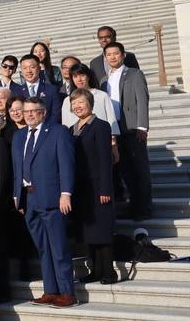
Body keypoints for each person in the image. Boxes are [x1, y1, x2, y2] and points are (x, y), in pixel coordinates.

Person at [12, 98, 77, 308]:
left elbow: (66, 164)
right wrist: (17, 195)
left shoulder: (58, 132)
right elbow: (17, 168)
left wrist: (66, 193)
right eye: (26, 111)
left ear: (44, 112)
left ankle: (67, 292)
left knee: (58, 247)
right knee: (43, 248)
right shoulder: (19, 135)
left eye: (34, 111)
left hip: (52, 198)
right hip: (28, 199)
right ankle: (51, 290)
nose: (29, 114)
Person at [69, 89, 116, 285]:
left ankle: (109, 272)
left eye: (81, 102)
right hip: (81, 189)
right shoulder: (71, 128)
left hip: (98, 186)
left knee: (102, 231)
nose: (77, 106)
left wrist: (105, 188)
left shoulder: (101, 126)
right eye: (74, 103)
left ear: (90, 104)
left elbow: (106, 159)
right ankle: (95, 270)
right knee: (89, 231)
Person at [101, 41, 151, 220]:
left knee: (140, 169)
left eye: (116, 53)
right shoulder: (104, 80)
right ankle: (134, 206)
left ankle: (145, 208)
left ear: (123, 55)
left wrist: (142, 126)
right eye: (109, 55)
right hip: (115, 129)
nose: (112, 57)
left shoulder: (134, 74)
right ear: (105, 58)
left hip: (132, 127)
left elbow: (143, 100)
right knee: (126, 171)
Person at [20, 54, 62, 124]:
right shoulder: (17, 91)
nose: (28, 71)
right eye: (25, 68)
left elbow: (56, 115)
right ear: (21, 71)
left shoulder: (52, 90)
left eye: (32, 67)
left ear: (39, 68)